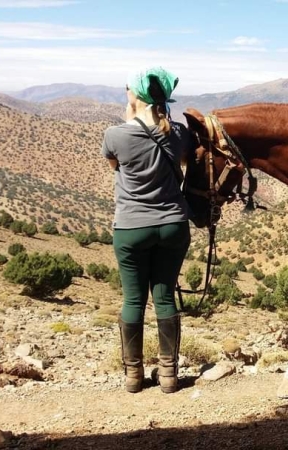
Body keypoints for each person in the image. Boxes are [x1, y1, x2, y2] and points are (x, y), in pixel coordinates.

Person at [101, 67, 191, 394]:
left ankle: (134, 377)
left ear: (135, 96)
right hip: (172, 225)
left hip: (130, 228)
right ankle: (168, 376)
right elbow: (183, 163)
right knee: (165, 296)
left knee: (133, 299)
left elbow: (116, 167)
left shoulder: (115, 135)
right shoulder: (178, 132)